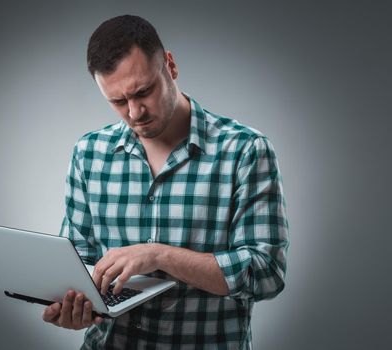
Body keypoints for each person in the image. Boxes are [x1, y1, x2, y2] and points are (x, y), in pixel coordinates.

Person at [42, 15, 289, 349]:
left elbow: (267, 273)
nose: (134, 112)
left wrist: (160, 256)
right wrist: (74, 306)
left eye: (143, 91)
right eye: (117, 101)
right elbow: (77, 264)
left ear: (170, 66)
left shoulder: (244, 150)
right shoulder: (88, 153)